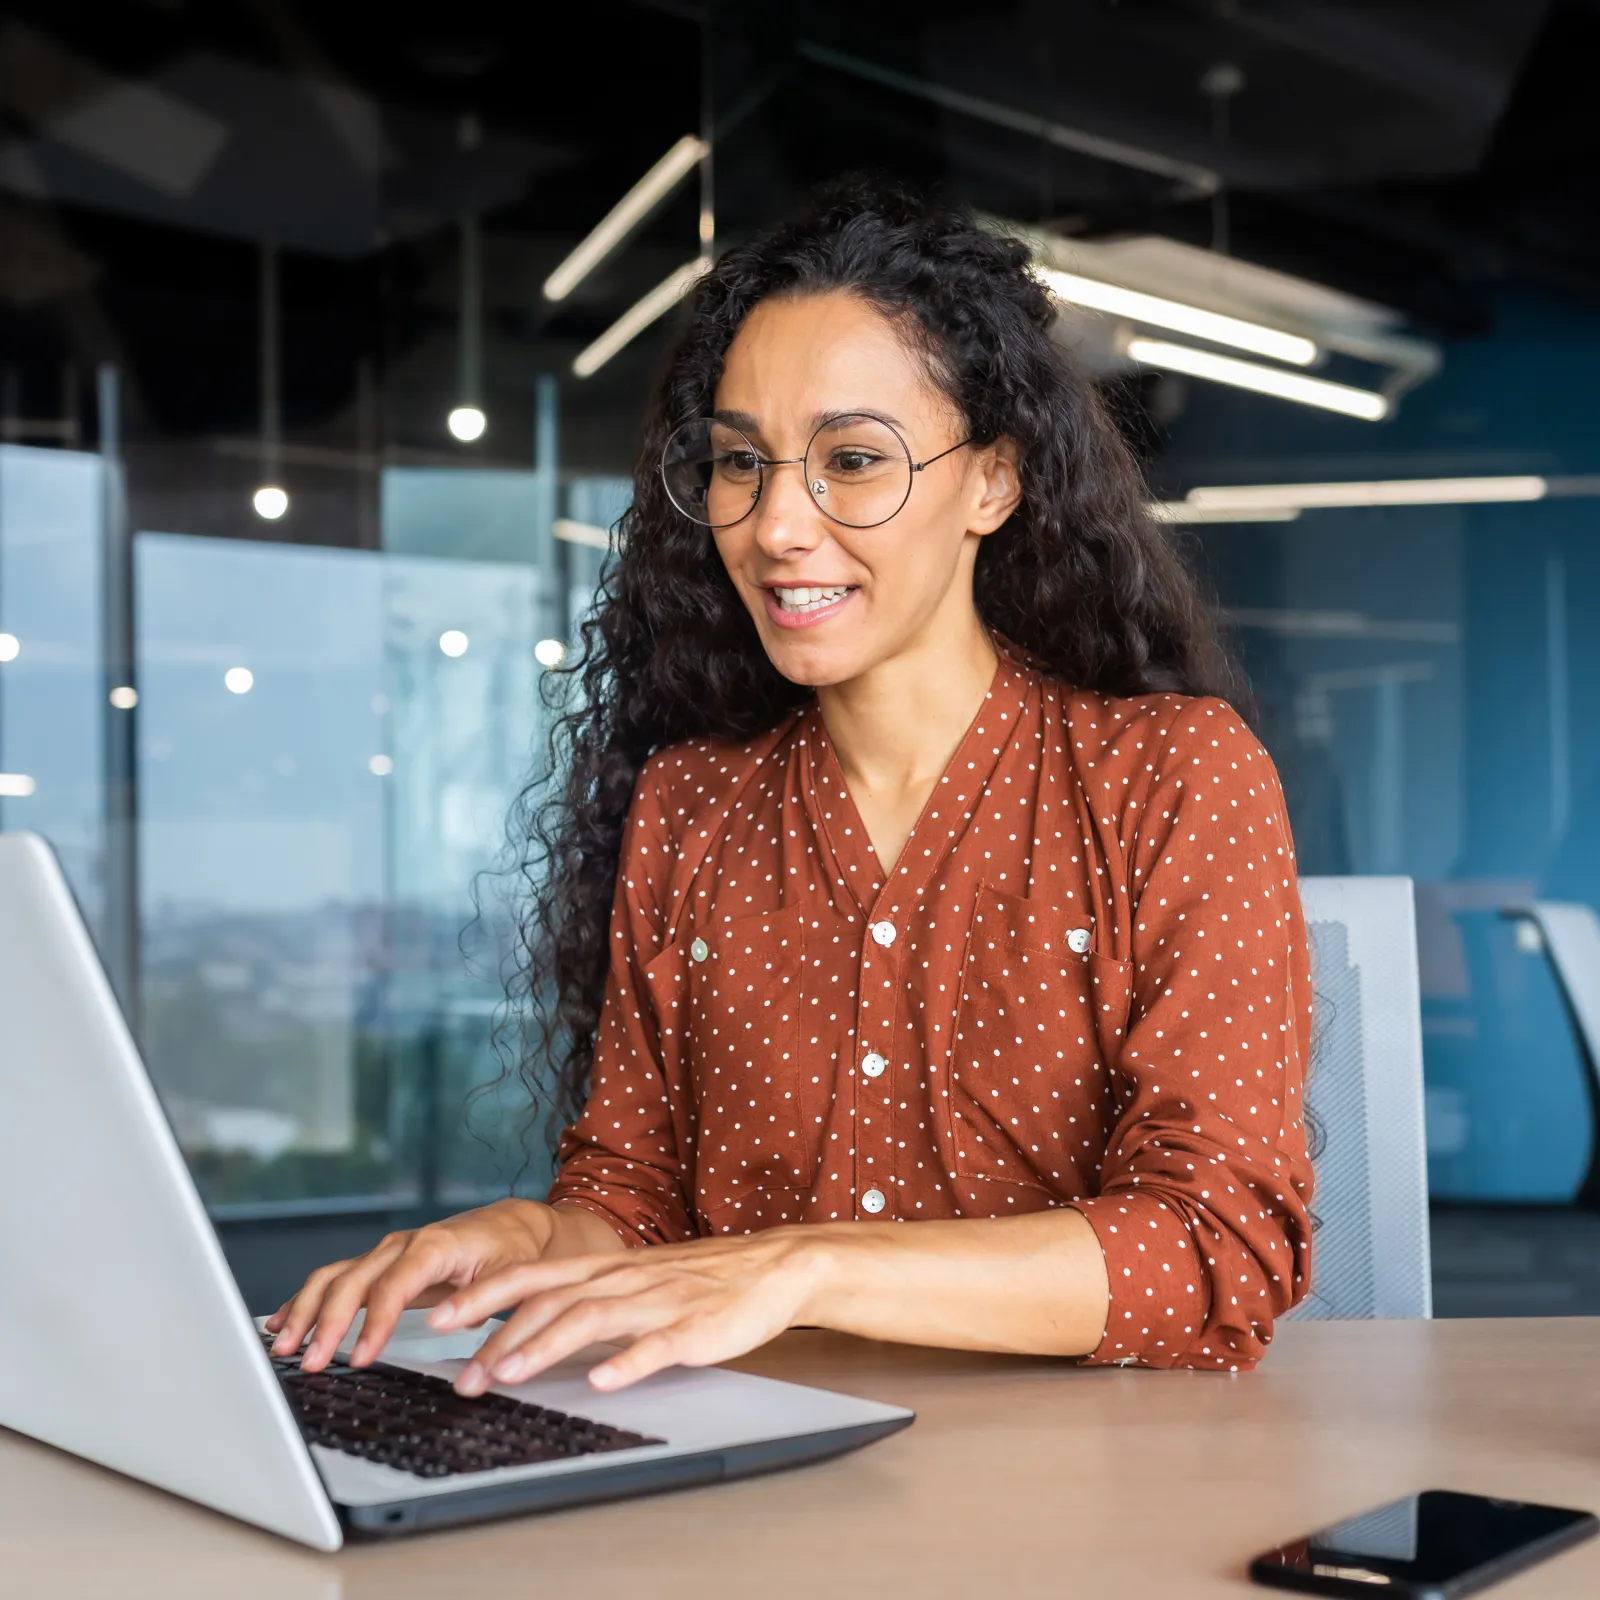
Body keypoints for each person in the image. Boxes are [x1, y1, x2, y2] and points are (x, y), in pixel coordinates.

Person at [268, 181, 1314, 1396]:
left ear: (993, 481)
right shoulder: (690, 806)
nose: (775, 525)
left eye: (852, 461)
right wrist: (523, 1241)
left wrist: (808, 1270)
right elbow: (638, 1200)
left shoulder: (1170, 774)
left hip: (1080, 1485)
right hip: (753, 1466)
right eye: (739, 464)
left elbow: (1216, 1244)